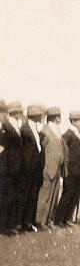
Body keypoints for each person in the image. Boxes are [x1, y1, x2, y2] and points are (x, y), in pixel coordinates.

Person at [36, 107, 67, 228]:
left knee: (54, 195)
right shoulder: (45, 130)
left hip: (57, 167)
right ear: (54, 117)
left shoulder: (57, 130)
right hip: (48, 167)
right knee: (45, 195)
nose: (60, 118)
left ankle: (49, 220)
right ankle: (40, 221)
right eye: (58, 116)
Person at [57, 111, 80, 226]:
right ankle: (60, 219)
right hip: (71, 169)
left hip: (79, 169)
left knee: (75, 194)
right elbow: (63, 149)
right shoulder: (68, 134)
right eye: (78, 121)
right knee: (68, 194)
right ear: (73, 122)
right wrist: (66, 165)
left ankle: (68, 218)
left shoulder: (78, 133)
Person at [19, 104, 46, 232]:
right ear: (34, 116)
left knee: (33, 195)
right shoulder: (24, 129)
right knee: (25, 195)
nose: (42, 117)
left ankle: (28, 223)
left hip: (36, 168)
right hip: (27, 168)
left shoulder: (36, 129)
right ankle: (22, 223)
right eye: (40, 115)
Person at [0, 101, 25, 235]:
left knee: (10, 197)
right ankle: (5, 227)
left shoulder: (9, 126)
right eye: (2, 112)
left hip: (12, 169)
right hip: (6, 169)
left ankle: (9, 225)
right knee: (5, 197)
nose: (4, 115)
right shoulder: (5, 127)